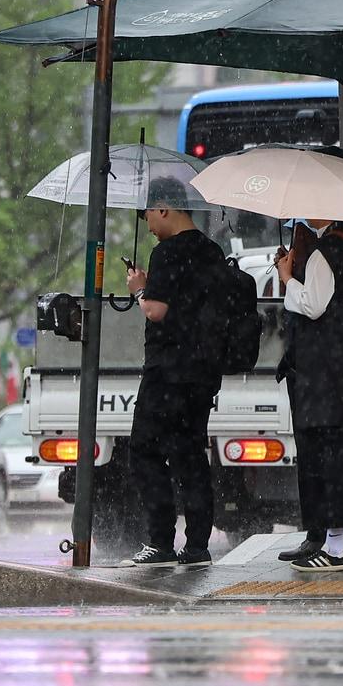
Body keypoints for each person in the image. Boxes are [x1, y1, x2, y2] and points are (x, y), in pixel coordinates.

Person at [120, 177, 225, 567]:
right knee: (190, 457)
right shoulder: (213, 252)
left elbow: (156, 311)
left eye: (148, 213)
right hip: (202, 373)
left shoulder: (166, 253)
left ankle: (160, 540)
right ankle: (197, 544)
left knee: (144, 451)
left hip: (166, 372)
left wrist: (138, 289)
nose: (147, 223)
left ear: (163, 208)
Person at [275, 218, 343, 570]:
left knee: (330, 458)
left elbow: (313, 304)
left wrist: (287, 277)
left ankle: (335, 546)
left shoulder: (325, 251)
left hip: (326, 374)